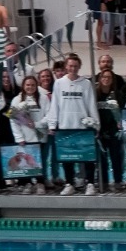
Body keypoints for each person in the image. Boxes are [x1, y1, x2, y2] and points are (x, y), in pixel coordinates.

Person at [48, 54, 97, 195]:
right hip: (65, 126)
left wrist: (95, 123)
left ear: (79, 67)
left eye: (75, 66)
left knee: (87, 156)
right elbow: (55, 105)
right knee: (67, 157)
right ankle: (69, 183)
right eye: (70, 66)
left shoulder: (86, 83)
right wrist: (53, 124)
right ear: (66, 67)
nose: (73, 68)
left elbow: (91, 104)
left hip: (82, 127)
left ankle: (90, 183)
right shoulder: (58, 83)